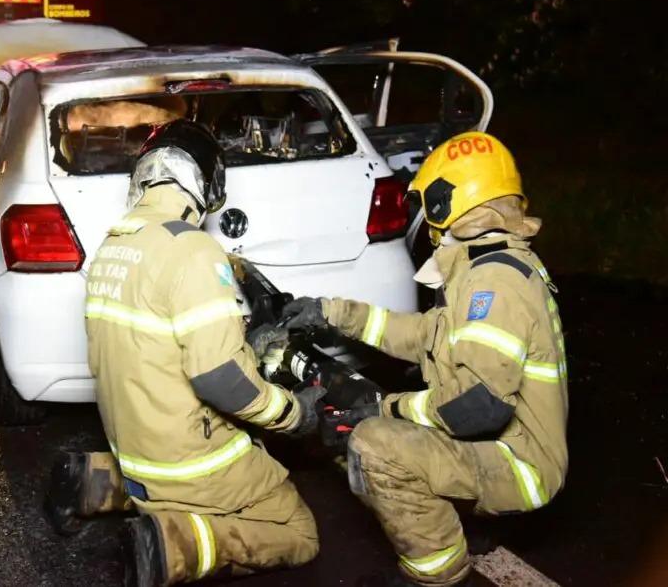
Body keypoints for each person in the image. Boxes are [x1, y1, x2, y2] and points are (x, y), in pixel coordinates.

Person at [283, 131, 568, 586]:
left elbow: (477, 407)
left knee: (376, 443)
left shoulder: (492, 284)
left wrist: (385, 409)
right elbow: (422, 336)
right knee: (402, 414)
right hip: (502, 444)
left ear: (445, 201)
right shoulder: (484, 268)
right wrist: (331, 313)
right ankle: (471, 526)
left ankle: (436, 576)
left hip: (518, 464)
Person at [45, 119, 323, 585]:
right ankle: (171, 545)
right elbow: (220, 378)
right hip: (188, 463)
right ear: (203, 183)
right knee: (298, 529)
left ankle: (91, 480)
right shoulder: (194, 251)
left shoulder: (112, 247)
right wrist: (293, 414)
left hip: (133, 450)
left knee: (165, 465)